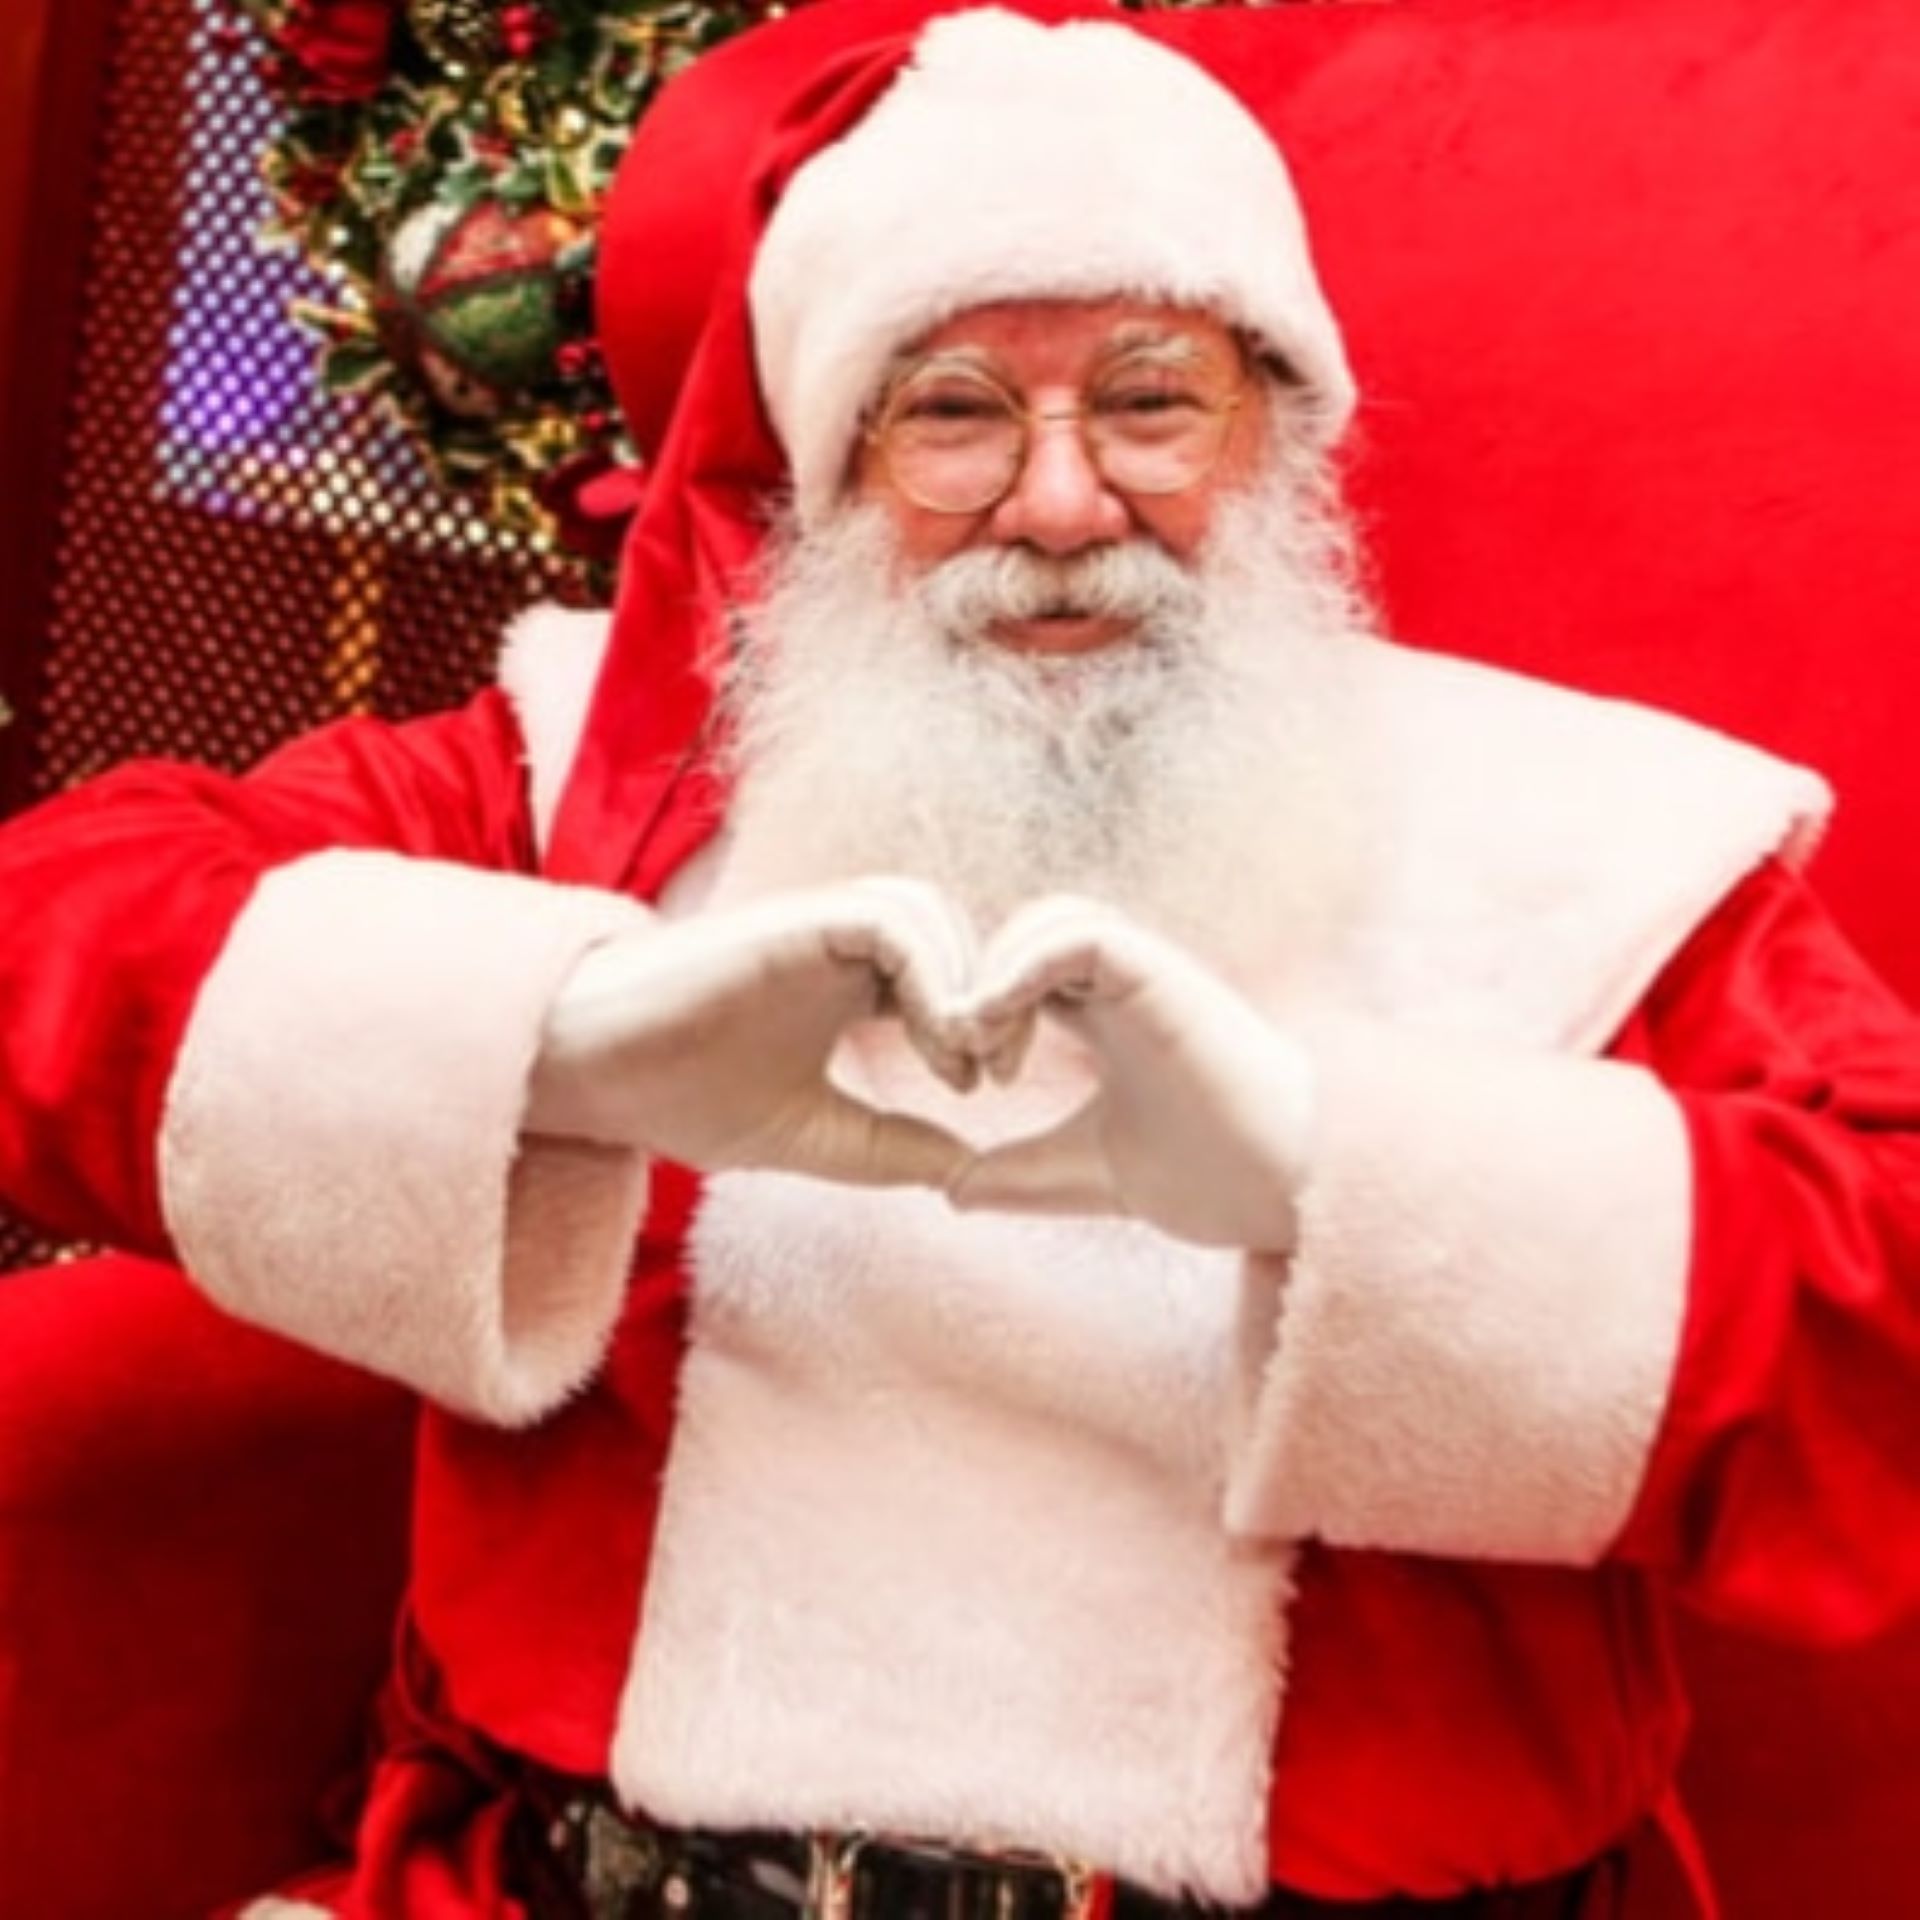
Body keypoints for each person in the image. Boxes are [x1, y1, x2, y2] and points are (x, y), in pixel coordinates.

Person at [2, 6, 1919, 1917]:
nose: (1065, 503)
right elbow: (46, 932)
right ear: (832, 472)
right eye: (954, 415)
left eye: (1154, 400)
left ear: (1285, 431)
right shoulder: (587, 774)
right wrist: (561, 1042)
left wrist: (1350, 1180)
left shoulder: (1589, 840)